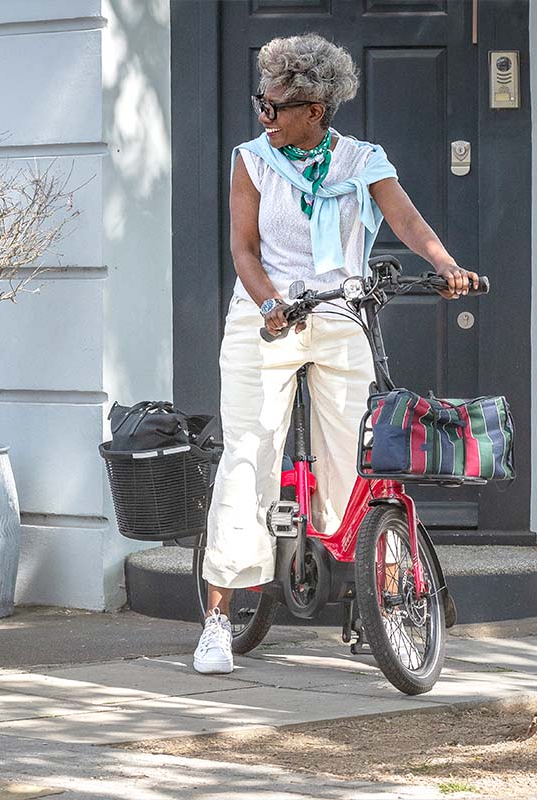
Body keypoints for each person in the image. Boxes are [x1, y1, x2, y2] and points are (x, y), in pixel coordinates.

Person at [194, 34, 479, 674]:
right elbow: (243, 250)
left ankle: (375, 589)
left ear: (314, 108)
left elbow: (408, 222)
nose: (262, 115)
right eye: (260, 102)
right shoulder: (252, 159)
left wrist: (446, 265)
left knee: (357, 455)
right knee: (248, 455)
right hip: (266, 318)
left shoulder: (361, 160)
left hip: (338, 313)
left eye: (273, 107)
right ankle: (217, 618)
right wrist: (269, 302)